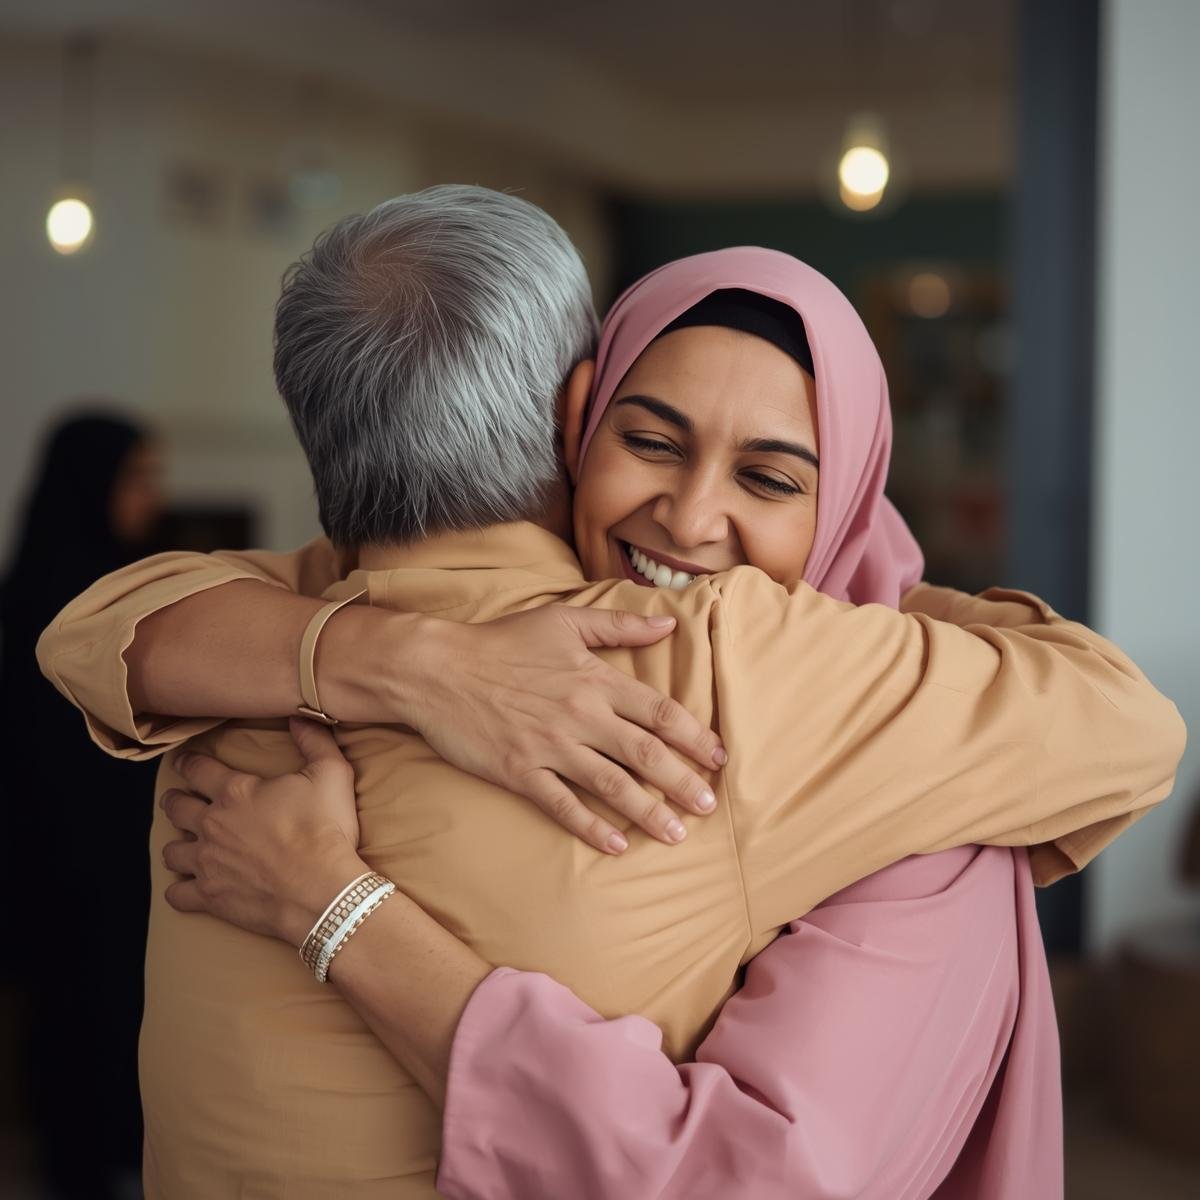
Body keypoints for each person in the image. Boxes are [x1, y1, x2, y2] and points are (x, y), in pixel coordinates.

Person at [37, 191, 1184, 1198]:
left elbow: (94, 631)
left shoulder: (801, 671)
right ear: (576, 415)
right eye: (649, 439)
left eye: (772, 476)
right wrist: (426, 666)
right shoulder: (327, 609)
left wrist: (336, 905)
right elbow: (92, 633)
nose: (688, 521)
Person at [1, 411, 164, 1200]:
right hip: (59, 860)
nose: (151, 497)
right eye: (137, 478)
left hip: (121, 861)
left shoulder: (135, 593)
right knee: (75, 1022)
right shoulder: (53, 603)